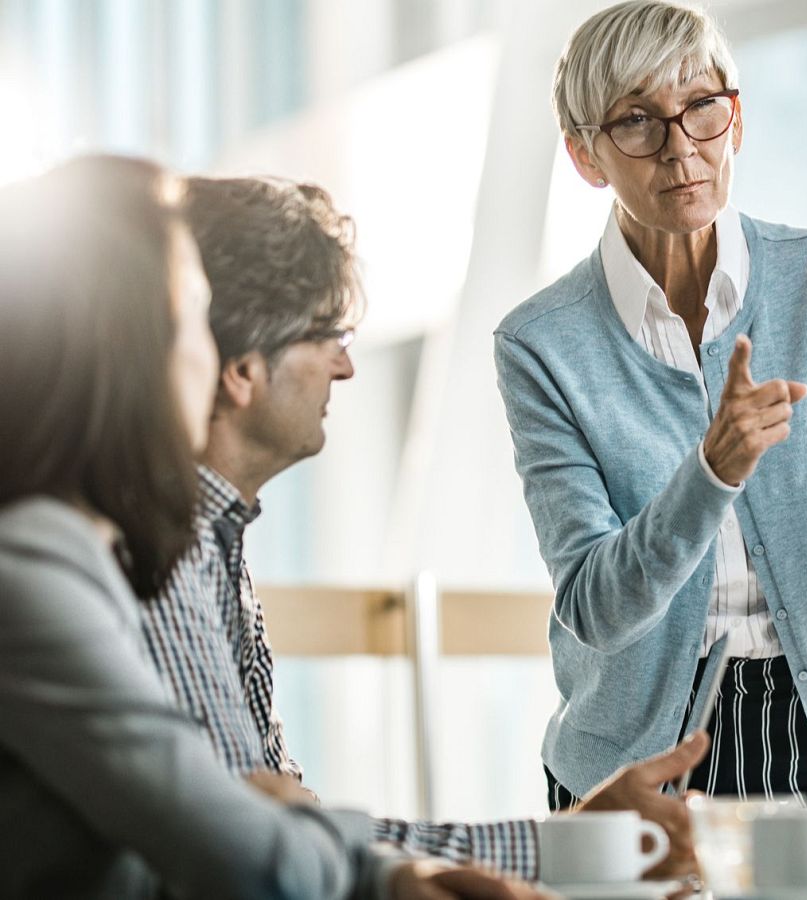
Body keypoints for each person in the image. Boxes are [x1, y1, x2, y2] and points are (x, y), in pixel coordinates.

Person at [137, 174, 708, 880]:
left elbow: (294, 831)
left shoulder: (216, 542)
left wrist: (566, 843)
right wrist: (559, 847)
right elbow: (252, 843)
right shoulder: (161, 557)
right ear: (244, 368)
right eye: (329, 334)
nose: (345, 367)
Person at [0, 156, 538, 899]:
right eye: (192, 314)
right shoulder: (38, 564)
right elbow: (243, 857)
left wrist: (353, 856)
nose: (208, 347)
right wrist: (323, 840)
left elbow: (242, 834)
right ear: (127, 346)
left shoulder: (88, 545)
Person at [493, 0, 807, 808]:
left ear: (737, 120)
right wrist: (709, 474)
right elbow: (594, 608)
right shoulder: (541, 343)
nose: (681, 148)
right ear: (585, 155)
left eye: (701, 110)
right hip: (630, 765)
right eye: (638, 122)